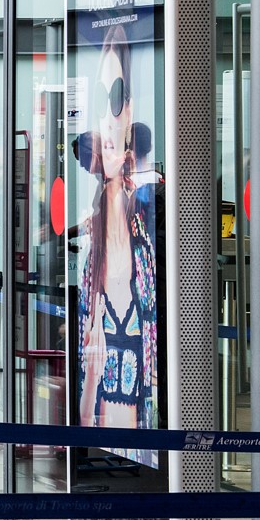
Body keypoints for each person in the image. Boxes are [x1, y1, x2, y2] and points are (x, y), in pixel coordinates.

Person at [75, 26, 160, 449]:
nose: (107, 120)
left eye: (116, 97)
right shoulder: (94, 243)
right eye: (101, 98)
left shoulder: (143, 221)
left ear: (128, 109)